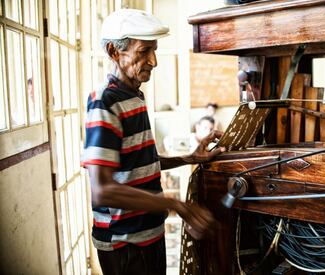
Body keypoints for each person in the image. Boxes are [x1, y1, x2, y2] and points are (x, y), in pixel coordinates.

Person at [81, 9, 225, 275]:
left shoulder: (133, 95)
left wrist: (188, 158)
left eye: (154, 50)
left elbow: (138, 163)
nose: (154, 61)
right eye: (144, 51)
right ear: (115, 51)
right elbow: (102, 189)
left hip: (147, 235)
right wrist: (176, 204)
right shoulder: (105, 102)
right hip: (125, 244)